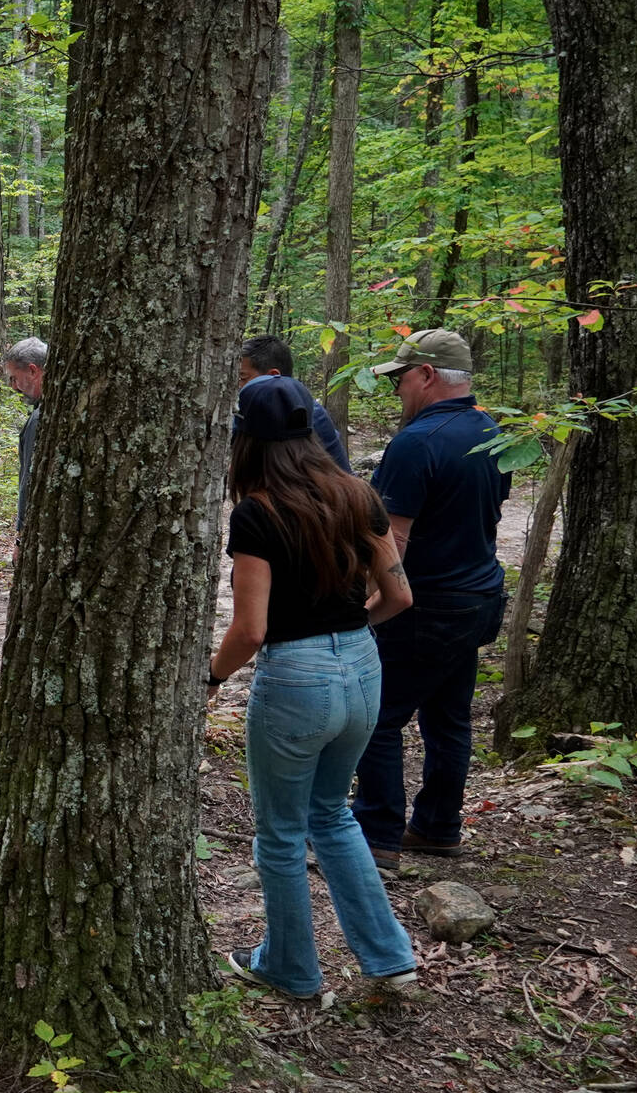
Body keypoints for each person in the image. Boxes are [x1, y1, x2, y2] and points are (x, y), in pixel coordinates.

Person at [208, 375, 418, 999]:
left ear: (246, 441)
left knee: (279, 832)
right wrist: (349, 633)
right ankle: (389, 956)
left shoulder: (256, 513)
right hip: (363, 668)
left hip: (296, 682)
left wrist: (210, 678)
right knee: (332, 813)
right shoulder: (359, 496)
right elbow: (399, 595)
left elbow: (250, 630)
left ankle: (292, 968)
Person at [352, 328, 510, 871]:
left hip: (425, 606)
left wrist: (363, 603)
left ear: (426, 374)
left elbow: (391, 540)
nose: (397, 389)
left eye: (399, 377)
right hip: (478, 599)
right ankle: (438, 828)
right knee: (448, 719)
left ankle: (377, 836)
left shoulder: (416, 442)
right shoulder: (491, 431)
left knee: (377, 718)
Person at [238, 335, 352, 473]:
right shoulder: (250, 411)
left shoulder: (306, 416)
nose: (236, 385)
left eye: (242, 377)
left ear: (273, 376)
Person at [3, 337, 46, 540]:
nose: (14, 387)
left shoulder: (39, 419)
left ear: (32, 371)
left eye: (14, 378)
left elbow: (28, 480)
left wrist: (20, 536)